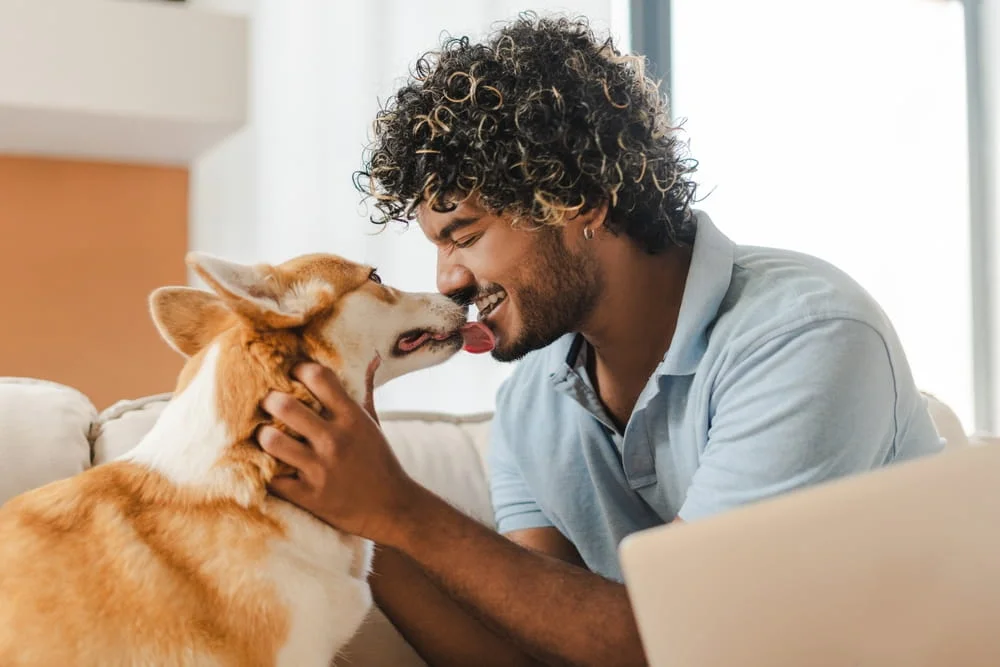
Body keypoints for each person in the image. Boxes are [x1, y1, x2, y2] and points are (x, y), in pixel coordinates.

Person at [254, 13, 944, 667]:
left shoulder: (805, 338)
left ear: (578, 200)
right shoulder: (532, 401)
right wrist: (360, 513)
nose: (447, 280)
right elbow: (527, 653)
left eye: (465, 235)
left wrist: (398, 505)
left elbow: (682, 641)